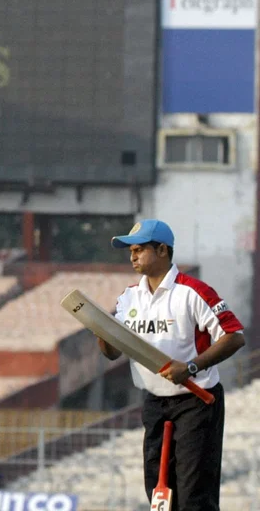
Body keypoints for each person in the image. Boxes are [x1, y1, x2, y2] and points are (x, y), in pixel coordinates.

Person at [101, 219, 245, 511]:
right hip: (154, 402)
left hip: (197, 400)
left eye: (139, 250)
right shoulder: (128, 297)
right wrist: (100, 330)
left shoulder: (193, 291)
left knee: (193, 495)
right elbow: (112, 353)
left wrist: (190, 367)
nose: (132, 257)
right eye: (130, 251)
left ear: (163, 250)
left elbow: (234, 336)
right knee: (157, 493)